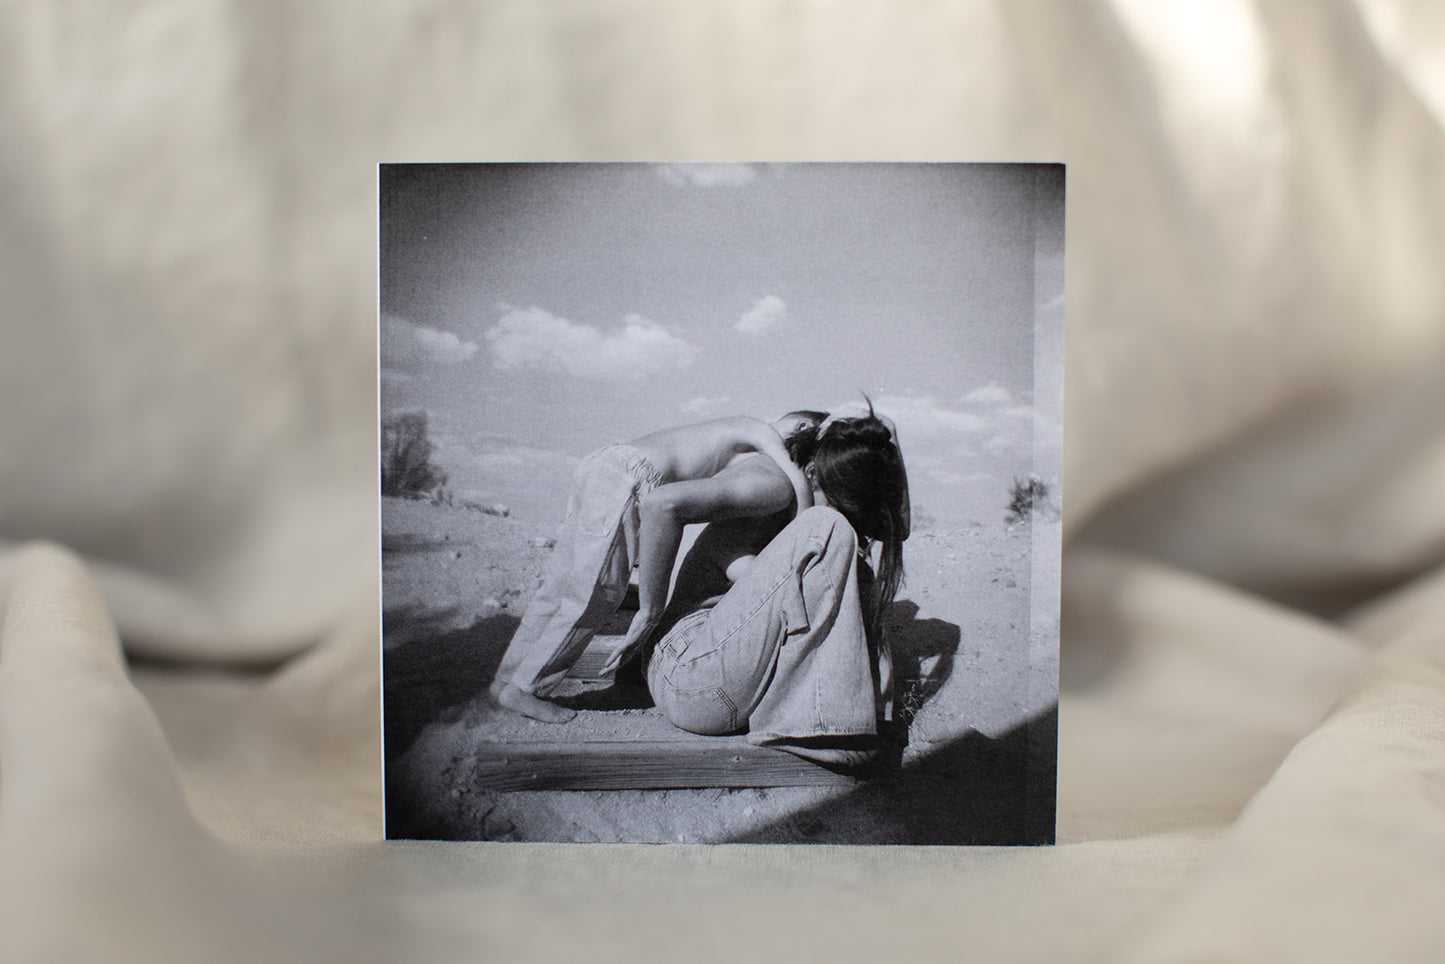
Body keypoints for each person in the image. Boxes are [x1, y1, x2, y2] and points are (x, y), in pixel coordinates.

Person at [489, 412, 828, 723]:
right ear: (801, 427)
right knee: (593, 596)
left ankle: (507, 679)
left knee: (559, 588)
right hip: (633, 478)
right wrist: (803, 517)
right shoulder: (760, 432)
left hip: (603, 464)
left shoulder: (742, 440)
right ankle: (527, 688)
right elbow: (794, 473)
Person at [639, 405, 911, 765]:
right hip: (687, 674)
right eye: (837, 500)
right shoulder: (773, 485)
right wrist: (648, 612)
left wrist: (890, 433)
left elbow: (899, 528)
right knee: (828, 528)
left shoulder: (812, 496)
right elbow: (664, 503)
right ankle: (817, 727)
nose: (841, 513)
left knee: (850, 550)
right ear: (812, 474)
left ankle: (853, 717)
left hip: (736, 675)